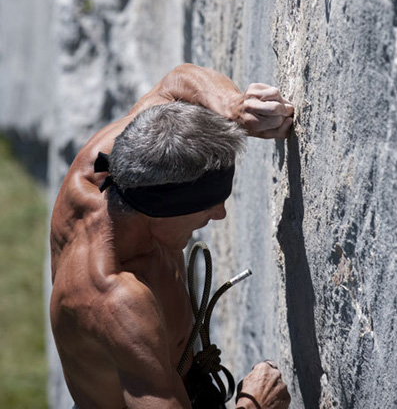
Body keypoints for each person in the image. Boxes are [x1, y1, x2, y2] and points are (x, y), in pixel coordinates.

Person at [50, 63, 294, 409]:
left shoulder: (117, 161)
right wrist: (254, 405)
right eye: (210, 206)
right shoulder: (117, 301)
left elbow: (175, 82)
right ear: (165, 211)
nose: (219, 214)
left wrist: (234, 108)